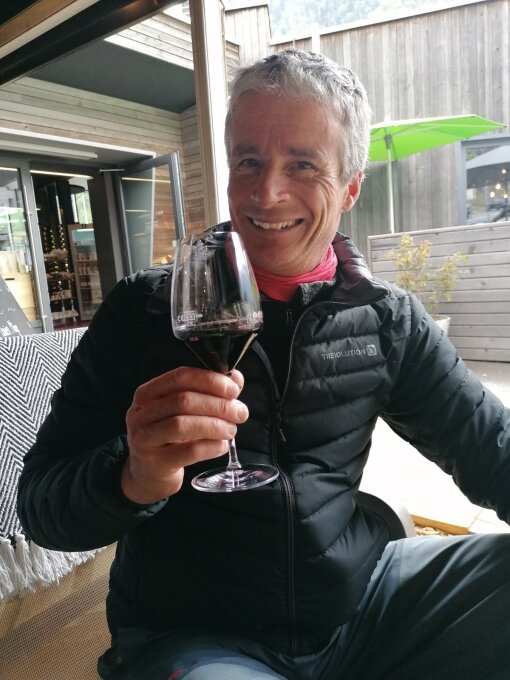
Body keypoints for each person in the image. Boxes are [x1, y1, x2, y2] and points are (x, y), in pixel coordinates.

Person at [17, 49, 510, 680]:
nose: (266, 192)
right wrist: (133, 474)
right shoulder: (144, 311)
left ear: (350, 187)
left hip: (364, 603)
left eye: (302, 164)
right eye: (248, 160)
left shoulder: (387, 319)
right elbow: (40, 507)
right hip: (197, 634)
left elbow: (491, 449)